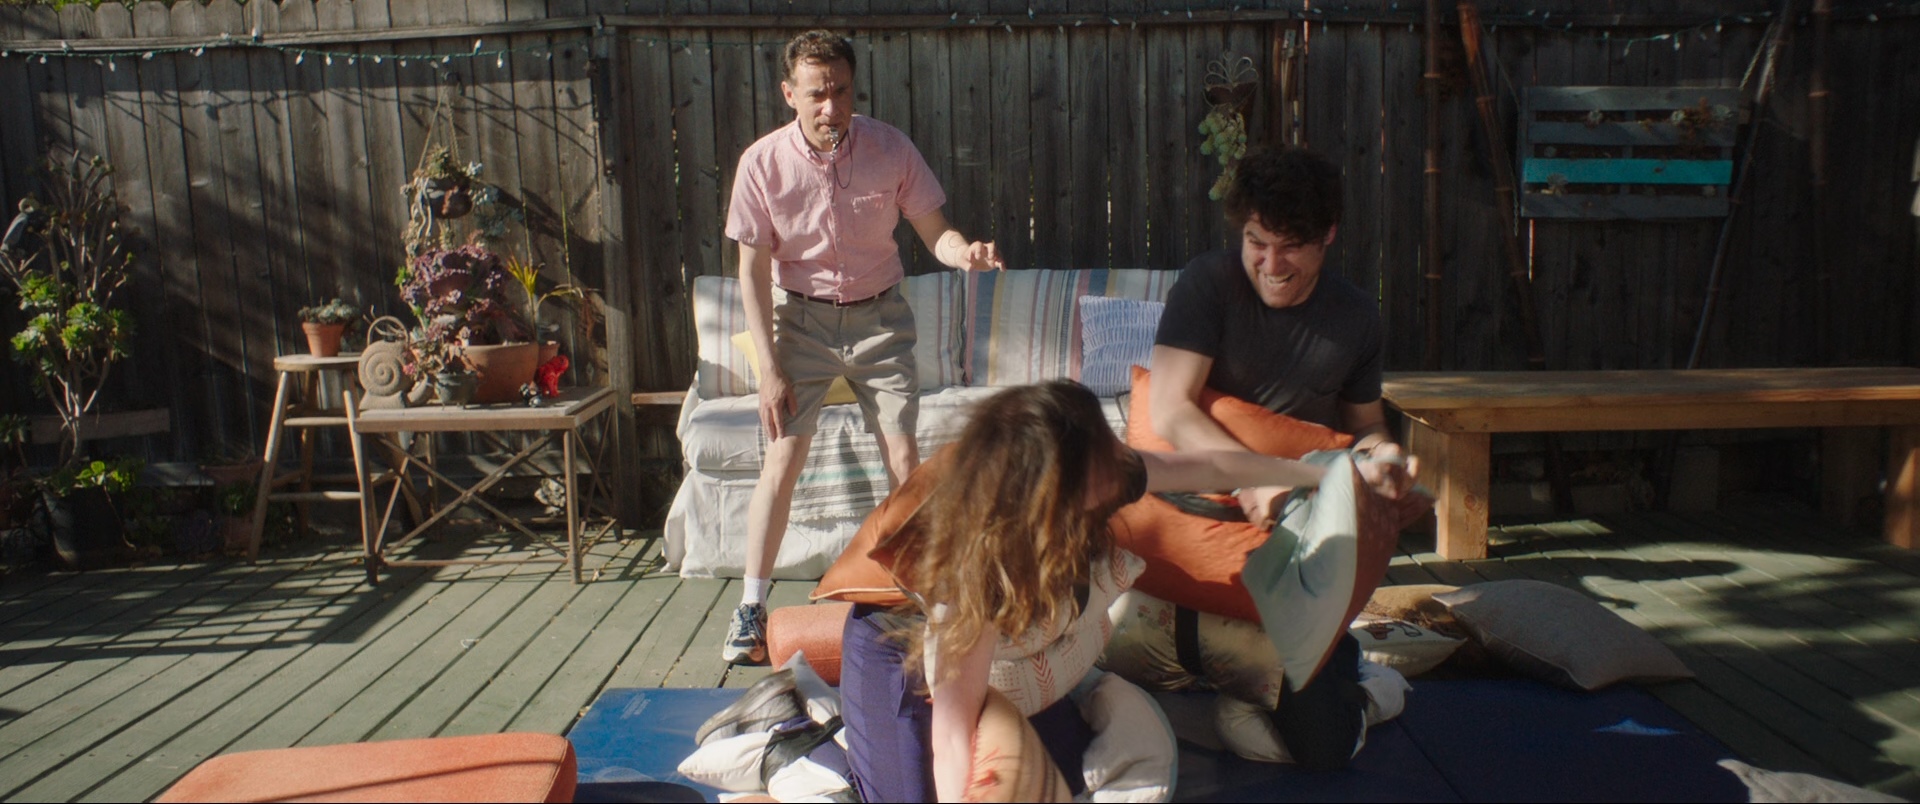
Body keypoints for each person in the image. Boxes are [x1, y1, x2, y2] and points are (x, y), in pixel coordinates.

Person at [840, 381, 1413, 802]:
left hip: (997, 651)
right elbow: (952, 729)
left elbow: (1211, 466)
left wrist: (1329, 474)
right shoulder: (979, 560)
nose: (1116, 468)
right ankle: (810, 739)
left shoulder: (1094, 472)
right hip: (897, 645)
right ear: (1046, 493)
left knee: (1065, 777)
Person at [722, 30, 1004, 665]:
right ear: (789, 93)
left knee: (904, 454)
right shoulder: (762, 164)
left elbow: (936, 232)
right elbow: (751, 271)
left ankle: (929, 595)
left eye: (842, 92)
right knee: (784, 457)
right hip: (801, 322)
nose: (832, 108)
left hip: (880, 320)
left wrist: (965, 254)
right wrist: (769, 370)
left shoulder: (890, 148)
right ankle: (750, 607)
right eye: (817, 95)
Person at [1146, 145, 1410, 768]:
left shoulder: (1356, 316)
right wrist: (1253, 478)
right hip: (1196, 528)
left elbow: (1364, 427)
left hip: (1291, 546)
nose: (1269, 263)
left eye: (1290, 246)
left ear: (1328, 235)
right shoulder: (1209, 283)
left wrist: (1384, 457)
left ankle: (1371, 690)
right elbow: (1171, 408)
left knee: (1322, 748)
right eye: (1256, 241)